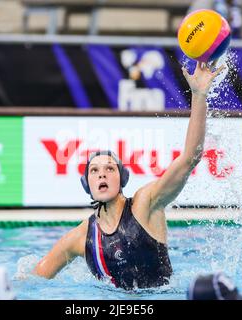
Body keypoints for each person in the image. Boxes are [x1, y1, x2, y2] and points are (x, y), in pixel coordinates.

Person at [31, 61, 225, 290]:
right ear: (87, 184)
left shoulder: (145, 204)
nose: (102, 174)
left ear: (122, 178)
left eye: (109, 169)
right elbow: (34, 280)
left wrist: (199, 95)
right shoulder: (81, 236)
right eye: (94, 171)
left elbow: (190, 157)